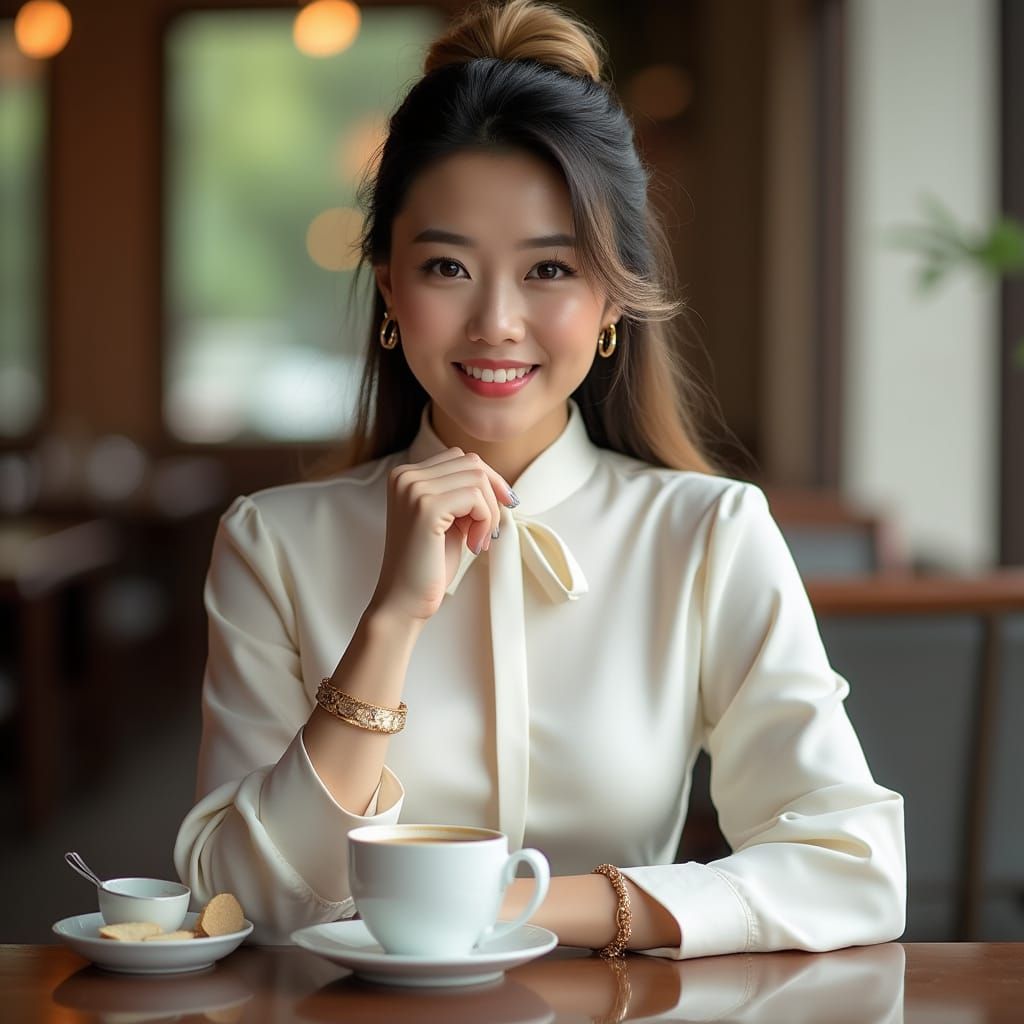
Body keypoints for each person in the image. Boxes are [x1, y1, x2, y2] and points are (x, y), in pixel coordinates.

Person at [173, 0, 906, 957]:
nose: (496, 323)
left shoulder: (709, 533)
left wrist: (512, 910)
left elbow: (856, 866)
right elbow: (240, 902)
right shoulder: (272, 543)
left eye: (550, 270)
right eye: (447, 267)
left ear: (612, 300)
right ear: (390, 287)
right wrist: (388, 621)